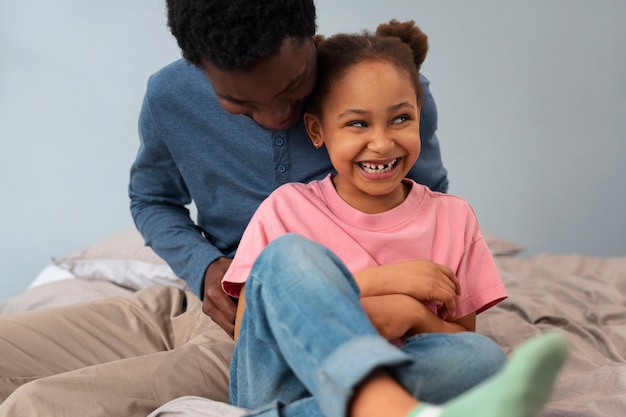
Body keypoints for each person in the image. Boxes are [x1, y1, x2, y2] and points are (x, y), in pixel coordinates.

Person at [0, 1, 449, 417]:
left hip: (274, 335)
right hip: (192, 301)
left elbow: (430, 212)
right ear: (199, 69)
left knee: (37, 404)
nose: (277, 116)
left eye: (294, 87)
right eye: (240, 103)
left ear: (309, 34)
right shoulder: (170, 95)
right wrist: (205, 268)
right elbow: (152, 199)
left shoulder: (382, 97)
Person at [220, 20, 567, 417]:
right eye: (358, 123)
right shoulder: (287, 209)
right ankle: (386, 407)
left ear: (420, 114)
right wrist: (379, 285)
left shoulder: (452, 218)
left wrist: (413, 314)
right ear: (317, 130)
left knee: (485, 359)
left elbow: (459, 338)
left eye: (401, 119)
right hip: (281, 384)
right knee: (289, 255)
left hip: (341, 394)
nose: (382, 143)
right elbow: (248, 328)